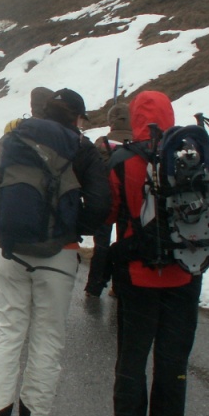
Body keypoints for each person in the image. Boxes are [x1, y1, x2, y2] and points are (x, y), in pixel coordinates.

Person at [0, 88, 109, 416]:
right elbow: (101, 204)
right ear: (76, 117)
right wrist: (72, 227)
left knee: (7, 334)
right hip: (59, 256)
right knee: (47, 338)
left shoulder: (15, 138)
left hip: (12, 252)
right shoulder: (81, 148)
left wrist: (5, 230)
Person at [108, 91, 202, 416]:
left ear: (135, 118)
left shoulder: (123, 160)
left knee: (132, 357)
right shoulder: (192, 154)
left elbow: (108, 212)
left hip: (137, 274)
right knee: (173, 358)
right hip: (185, 271)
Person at [85, 102, 132, 298]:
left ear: (111, 121)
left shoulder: (101, 143)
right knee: (125, 244)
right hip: (129, 203)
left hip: (105, 200)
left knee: (101, 245)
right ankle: (119, 287)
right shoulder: (137, 143)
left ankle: (94, 287)